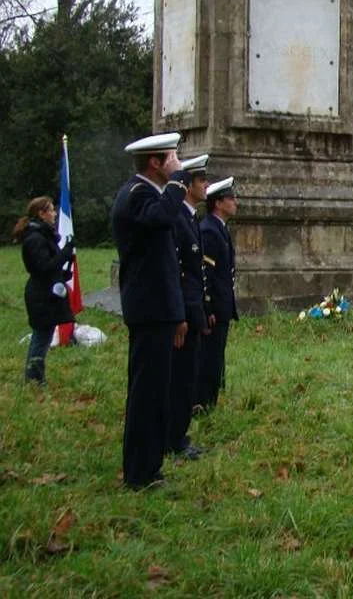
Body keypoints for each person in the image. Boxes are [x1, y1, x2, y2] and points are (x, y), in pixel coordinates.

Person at [111, 132, 191, 490]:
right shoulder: (137, 195)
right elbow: (159, 219)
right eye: (172, 157)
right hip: (149, 309)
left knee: (157, 390)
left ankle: (150, 466)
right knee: (146, 392)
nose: (178, 163)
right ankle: (140, 473)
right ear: (155, 163)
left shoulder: (148, 194)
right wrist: (178, 183)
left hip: (158, 308)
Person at [167, 154, 212, 461]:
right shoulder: (178, 218)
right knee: (180, 378)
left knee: (187, 376)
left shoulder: (190, 216)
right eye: (201, 180)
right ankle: (174, 438)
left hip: (193, 307)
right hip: (182, 311)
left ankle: (178, 434)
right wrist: (181, 314)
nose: (206, 185)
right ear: (187, 185)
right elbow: (177, 270)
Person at [12, 197, 75, 385]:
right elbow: (43, 267)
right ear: (41, 213)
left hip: (45, 292)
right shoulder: (35, 239)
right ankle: (33, 378)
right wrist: (65, 253)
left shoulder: (42, 236)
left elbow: (48, 268)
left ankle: (36, 376)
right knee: (41, 337)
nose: (55, 214)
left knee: (45, 335)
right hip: (40, 295)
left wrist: (62, 275)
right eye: (51, 210)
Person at [196, 177, 239, 411]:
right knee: (208, 356)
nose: (236, 202)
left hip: (222, 304)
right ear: (218, 203)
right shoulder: (210, 231)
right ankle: (201, 401)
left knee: (216, 354)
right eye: (231, 198)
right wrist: (208, 307)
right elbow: (206, 274)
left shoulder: (219, 228)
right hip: (214, 307)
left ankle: (210, 397)